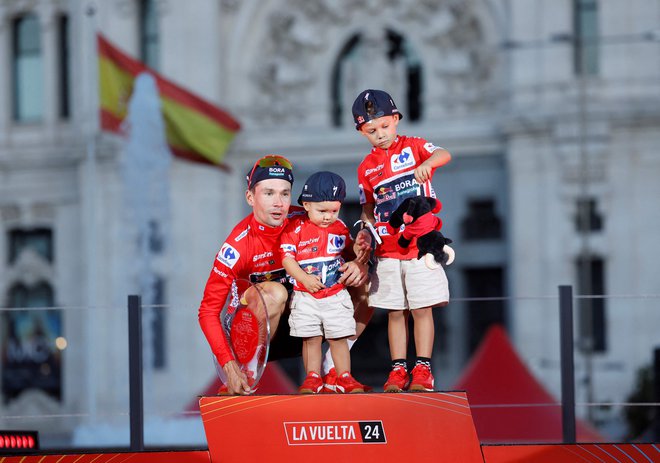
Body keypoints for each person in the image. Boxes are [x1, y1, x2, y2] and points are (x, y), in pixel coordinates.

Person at [198, 155, 371, 395]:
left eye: (284, 193)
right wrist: (228, 365)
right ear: (250, 197)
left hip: (305, 321)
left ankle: (332, 369)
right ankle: (245, 373)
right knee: (274, 292)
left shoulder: (307, 217)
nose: (279, 203)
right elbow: (207, 311)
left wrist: (360, 264)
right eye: (269, 193)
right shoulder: (237, 246)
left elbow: (353, 251)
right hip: (255, 337)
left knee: (368, 286)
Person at [352, 89, 452, 392]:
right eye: (371, 130)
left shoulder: (413, 146)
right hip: (389, 248)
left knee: (422, 307)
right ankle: (398, 370)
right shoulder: (365, 168)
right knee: (395, 311)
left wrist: (427, 164)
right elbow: (367, 205)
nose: (380, 134)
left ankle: (423, 368)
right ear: (361, 131)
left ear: (396, 120)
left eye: (385, 126)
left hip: (420, 246)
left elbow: (443, 153)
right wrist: (368, 230)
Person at [281, 171, 366, 394]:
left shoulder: (340, 227)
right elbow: (287, 259)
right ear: (307, 204)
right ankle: (312, 377)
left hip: (335, 294)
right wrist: (304, 279)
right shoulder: (295, 228)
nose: (328, 216)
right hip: (305, 295)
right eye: (322, 211)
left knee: (338, 337)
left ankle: (344, 376)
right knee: (311, 338)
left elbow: (350, 251)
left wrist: (359, 249)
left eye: (334, 210)